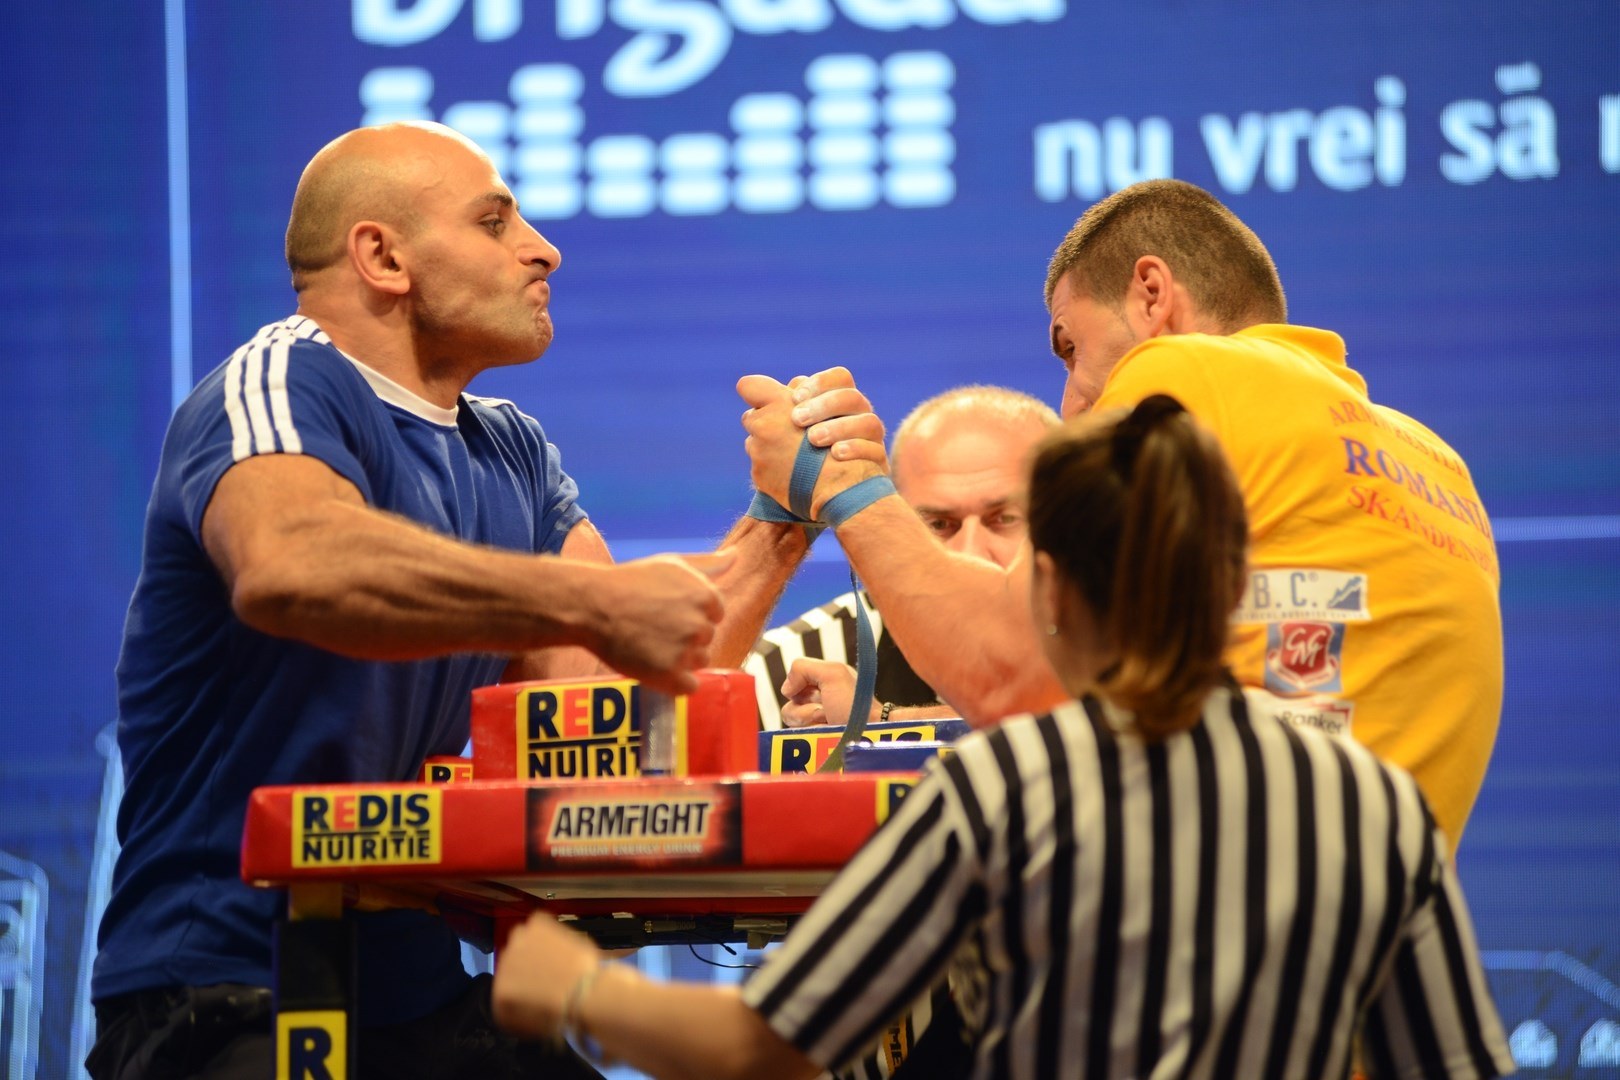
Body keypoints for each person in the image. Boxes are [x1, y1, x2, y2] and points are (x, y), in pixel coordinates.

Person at [491, 396, 1515, 1080]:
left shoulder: (1004, 790)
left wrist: (576, 987)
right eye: (936, 527)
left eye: (1004, 526)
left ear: (1050, 587)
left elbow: (771, 1049)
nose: (973, 560)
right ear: (1230, 584)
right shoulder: (1373, 804)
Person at [88, 121, 814, 1079]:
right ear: (382, 256)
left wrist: (783, 521)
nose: (544, 246)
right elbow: (293, 564)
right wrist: (584, 600)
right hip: (221, 991)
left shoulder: (508, 445)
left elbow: (615, 699)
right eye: (495, 219)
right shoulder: (277, 380)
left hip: (419, 991)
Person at [738, 179, 1502, 847]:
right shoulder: (1434, 461)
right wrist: (888, 724)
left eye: (1069, 347)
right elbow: (1122, 714)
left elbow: (1005, 676)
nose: (1072, 400)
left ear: (1151, 293)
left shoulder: (1188, 369)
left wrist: (842, 483)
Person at [746, 385, 1058, 729]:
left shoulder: (1116, 637)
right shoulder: (784, 673)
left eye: (1005, 519)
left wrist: (882, 723)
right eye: (939, 524)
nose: (971, 552)